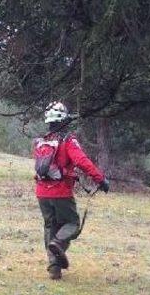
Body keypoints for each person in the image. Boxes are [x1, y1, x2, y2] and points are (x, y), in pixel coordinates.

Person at [33, 101, 109, 280]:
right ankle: (58, 244)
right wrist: (100, 179)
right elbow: (82, 161)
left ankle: (54, 268)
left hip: (42, 193)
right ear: (64, 119)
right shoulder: (68, 140)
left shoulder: (40, 141)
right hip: (61, 192)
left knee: (50, 227)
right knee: (72, 224)